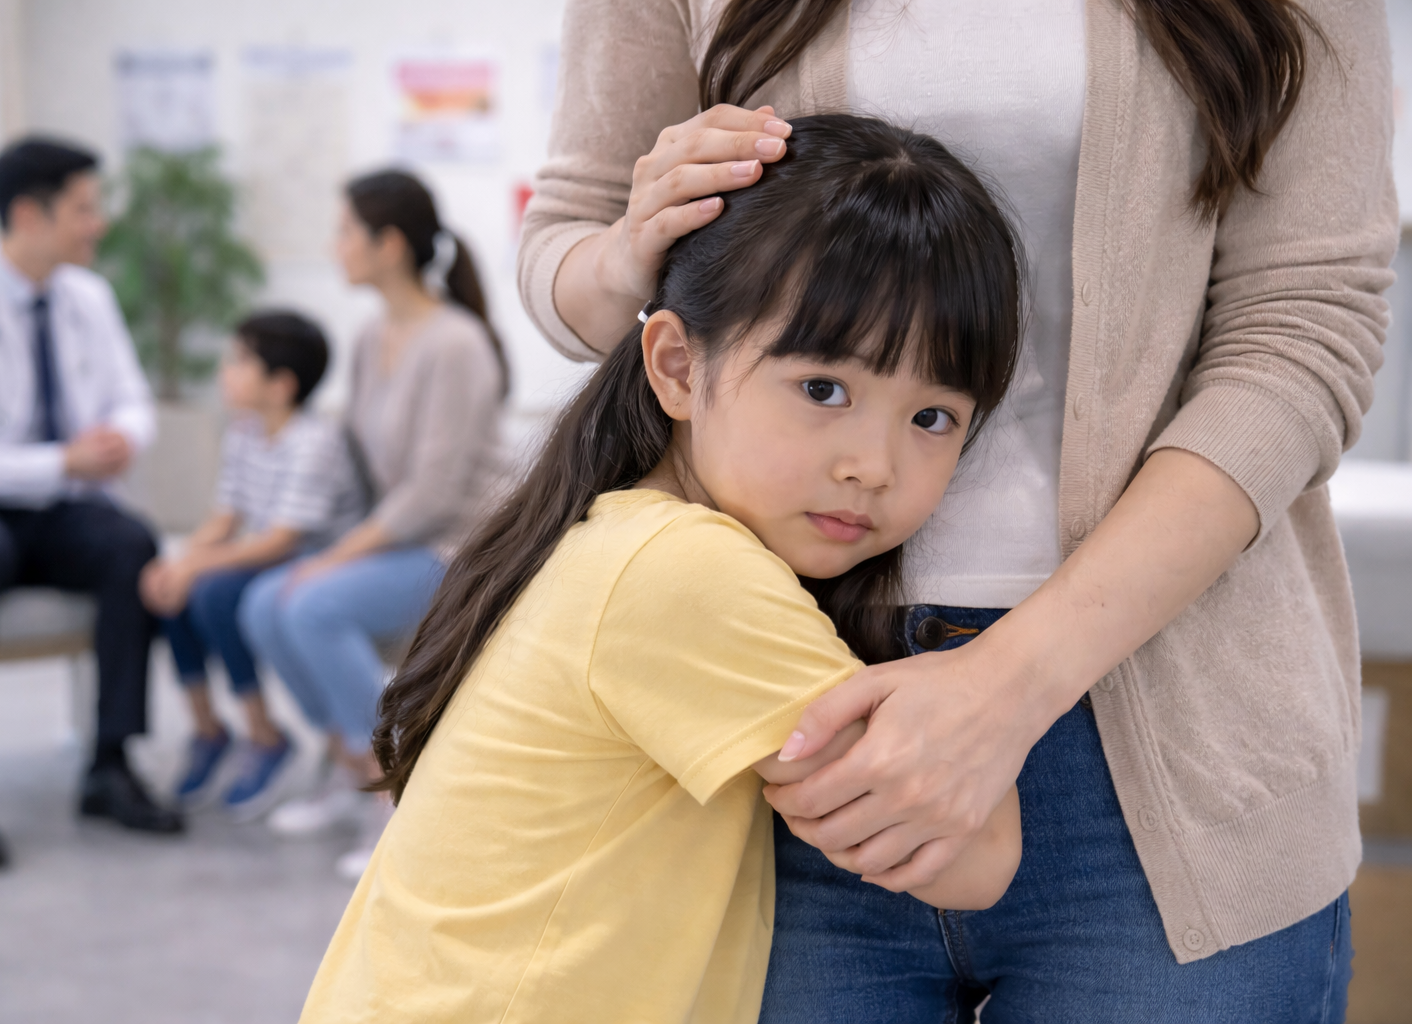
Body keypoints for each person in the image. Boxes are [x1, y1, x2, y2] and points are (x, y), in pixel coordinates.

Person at [519, 0, 1396, 1018]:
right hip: (771, 716)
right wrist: (631, 245)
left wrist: (1007, 688)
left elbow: (1305, 331)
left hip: (1174, 749)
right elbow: (567, 250)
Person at [300, 114, 1024, 1024]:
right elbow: (978, 854)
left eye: (933, 418)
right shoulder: (684, 572)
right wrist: (991, 683)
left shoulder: (608, 535)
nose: (872, 465)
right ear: (677, 366)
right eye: (823, 389)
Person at [0, 136, 184, 869]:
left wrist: (119, 437)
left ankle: (109, 764)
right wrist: (63, 461)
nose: (98, 223)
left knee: (130, 544)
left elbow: (132, 402)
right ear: (28, 213)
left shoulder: (89, 298)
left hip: (59, 501)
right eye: (84, 208)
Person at [240, 170, 506, 879]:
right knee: (264, 602)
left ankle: (396, 787)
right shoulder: (367, 339)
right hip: (397, 540)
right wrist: (326, 544)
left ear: (388, 245)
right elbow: (361, 468)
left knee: (312, 601)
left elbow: (433, 493)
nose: (336, 246)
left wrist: (333, 561)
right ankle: (345, 765)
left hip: (458, 550)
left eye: (345, 231)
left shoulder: (456, 343)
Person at [140, 311, 363, 816]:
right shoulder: (244, 430)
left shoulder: (314, 439)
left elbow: (282, 540)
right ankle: (208, 729)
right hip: (269, 552)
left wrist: (199, 568)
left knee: (214, 594)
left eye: (240, 362)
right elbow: (227, 514)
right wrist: (179, 562)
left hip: (313, 559)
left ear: (281, 385)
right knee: (172, 593)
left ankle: (265, 735)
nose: (226, 372)